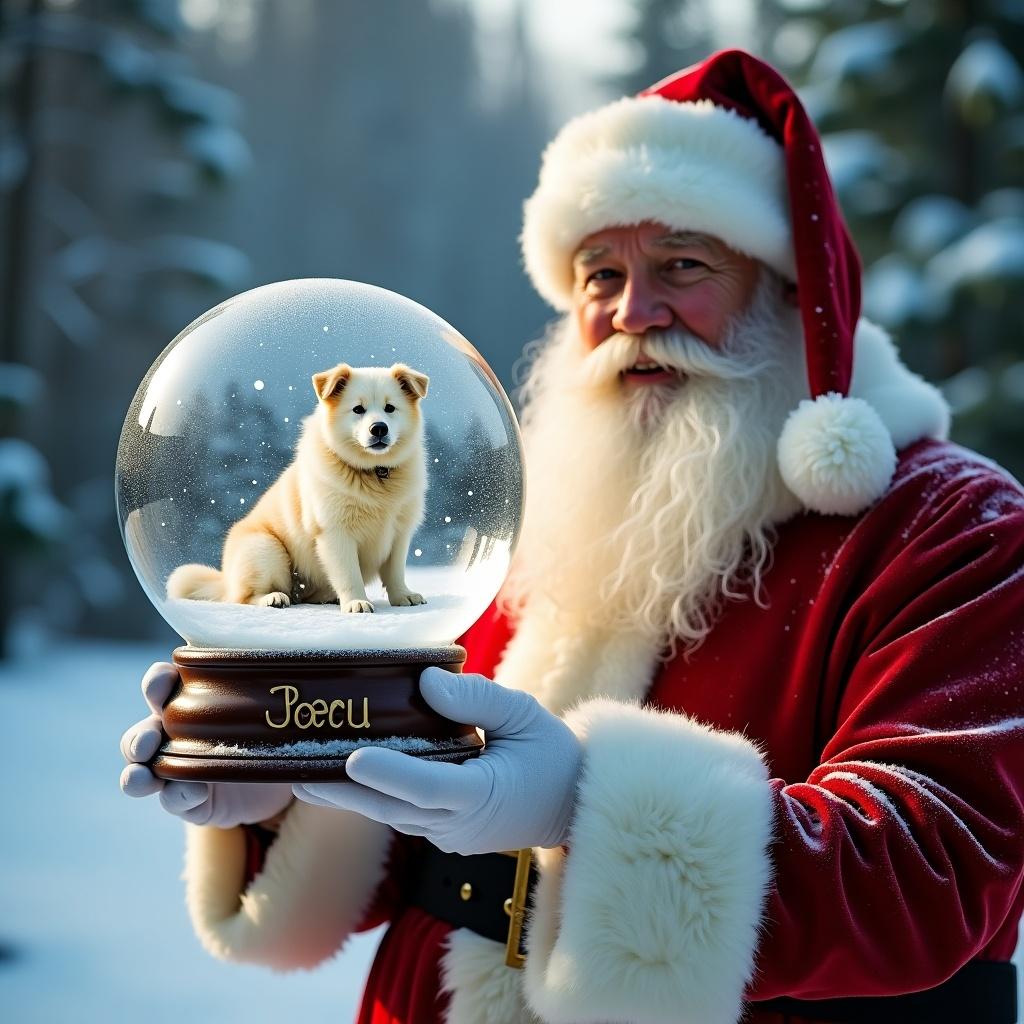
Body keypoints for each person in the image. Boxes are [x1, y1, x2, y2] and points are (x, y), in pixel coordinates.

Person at [120, 49, 1024, 1024]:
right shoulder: (549, 516)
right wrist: (287, 789)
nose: (634, 314)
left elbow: (937, 863)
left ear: (788, 293)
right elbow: (424, 822)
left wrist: (587, 807)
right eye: (600, 275)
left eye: (683, 265)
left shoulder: (947, 528)